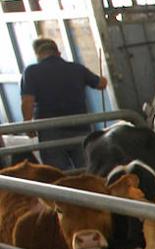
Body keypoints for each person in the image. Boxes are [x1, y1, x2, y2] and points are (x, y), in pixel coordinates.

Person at [19, 38, 107, 170]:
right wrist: (103, 77)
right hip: (80, 127)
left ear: (38, 54)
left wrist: (28, 125)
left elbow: (27, 102)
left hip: (50, 131)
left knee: (58, 174)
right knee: (87, 171)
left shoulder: (31, 72)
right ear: (58, 53)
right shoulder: (77, 68)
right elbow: (101, 84)